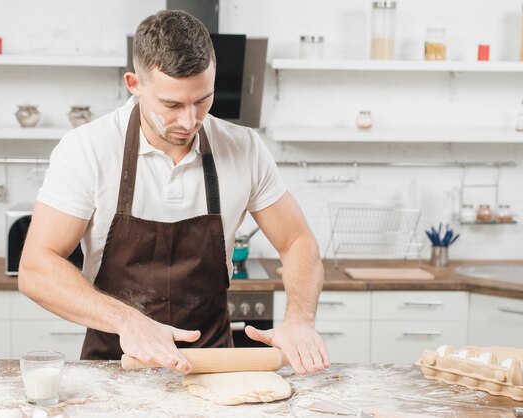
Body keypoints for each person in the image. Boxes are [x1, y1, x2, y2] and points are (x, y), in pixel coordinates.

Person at [18, 9, 330, 375]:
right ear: (134, 84)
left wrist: (300, 320)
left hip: (213, 369)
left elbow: (297, 240)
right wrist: (126, 320)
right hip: (113, 368)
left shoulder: (243, 148)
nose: (188, 121)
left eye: (202, 101)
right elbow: (36, 267)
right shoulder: (88, 149)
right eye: (171, 105)